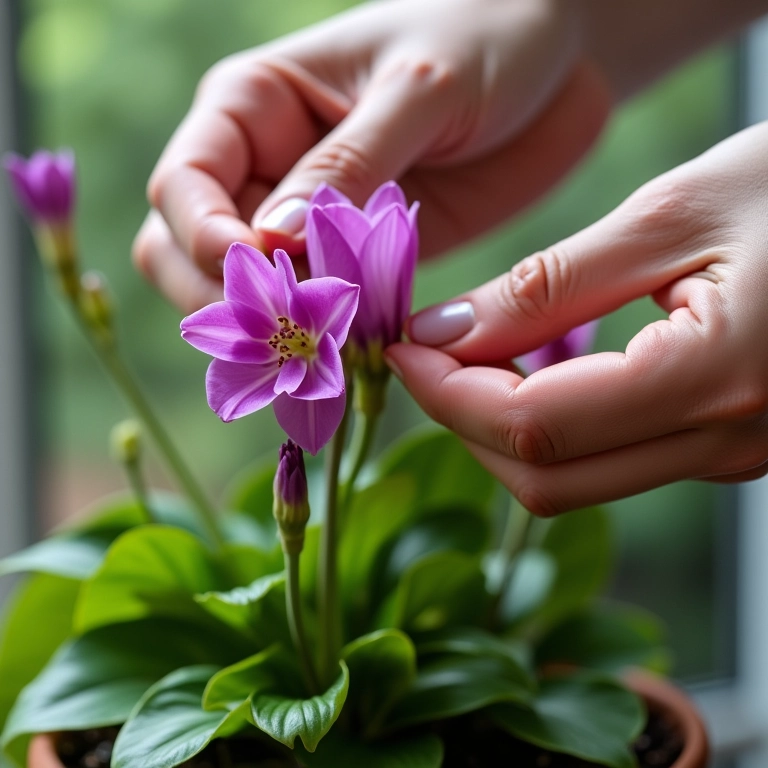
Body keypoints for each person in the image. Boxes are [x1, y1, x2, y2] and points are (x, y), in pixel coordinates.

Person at [133, 0, 768, 515]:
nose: (289, 338)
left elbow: (335, 298)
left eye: (289, 333)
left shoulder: (327, 327)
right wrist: (559, 21)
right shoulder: (319, 335)